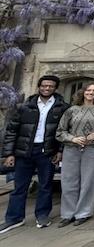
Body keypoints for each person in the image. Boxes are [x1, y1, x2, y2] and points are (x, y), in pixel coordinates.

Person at [0, 75, 69, 234]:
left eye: (50, 86)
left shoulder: (62, 107)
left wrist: (60, 151)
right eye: (44, 86)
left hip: (47, 152)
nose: (47, 88)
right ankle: (14, 218)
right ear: (39, 87)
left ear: (55, 88)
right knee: (19, 187)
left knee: (45, 186)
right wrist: (9, 154)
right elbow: (12, 131)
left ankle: (42, 215)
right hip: (25, 151)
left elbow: (63, 132)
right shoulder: (24, 106)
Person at [55, 79, 94, 227]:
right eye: (88, 90)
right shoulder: (72, 110)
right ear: (83, 92)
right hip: (72, 149)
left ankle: (83, 213)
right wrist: (73, 139)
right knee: (69, 182)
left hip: (93, 149)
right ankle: (68, 214)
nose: (91, 93)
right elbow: (60, 131)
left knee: (89, 182)